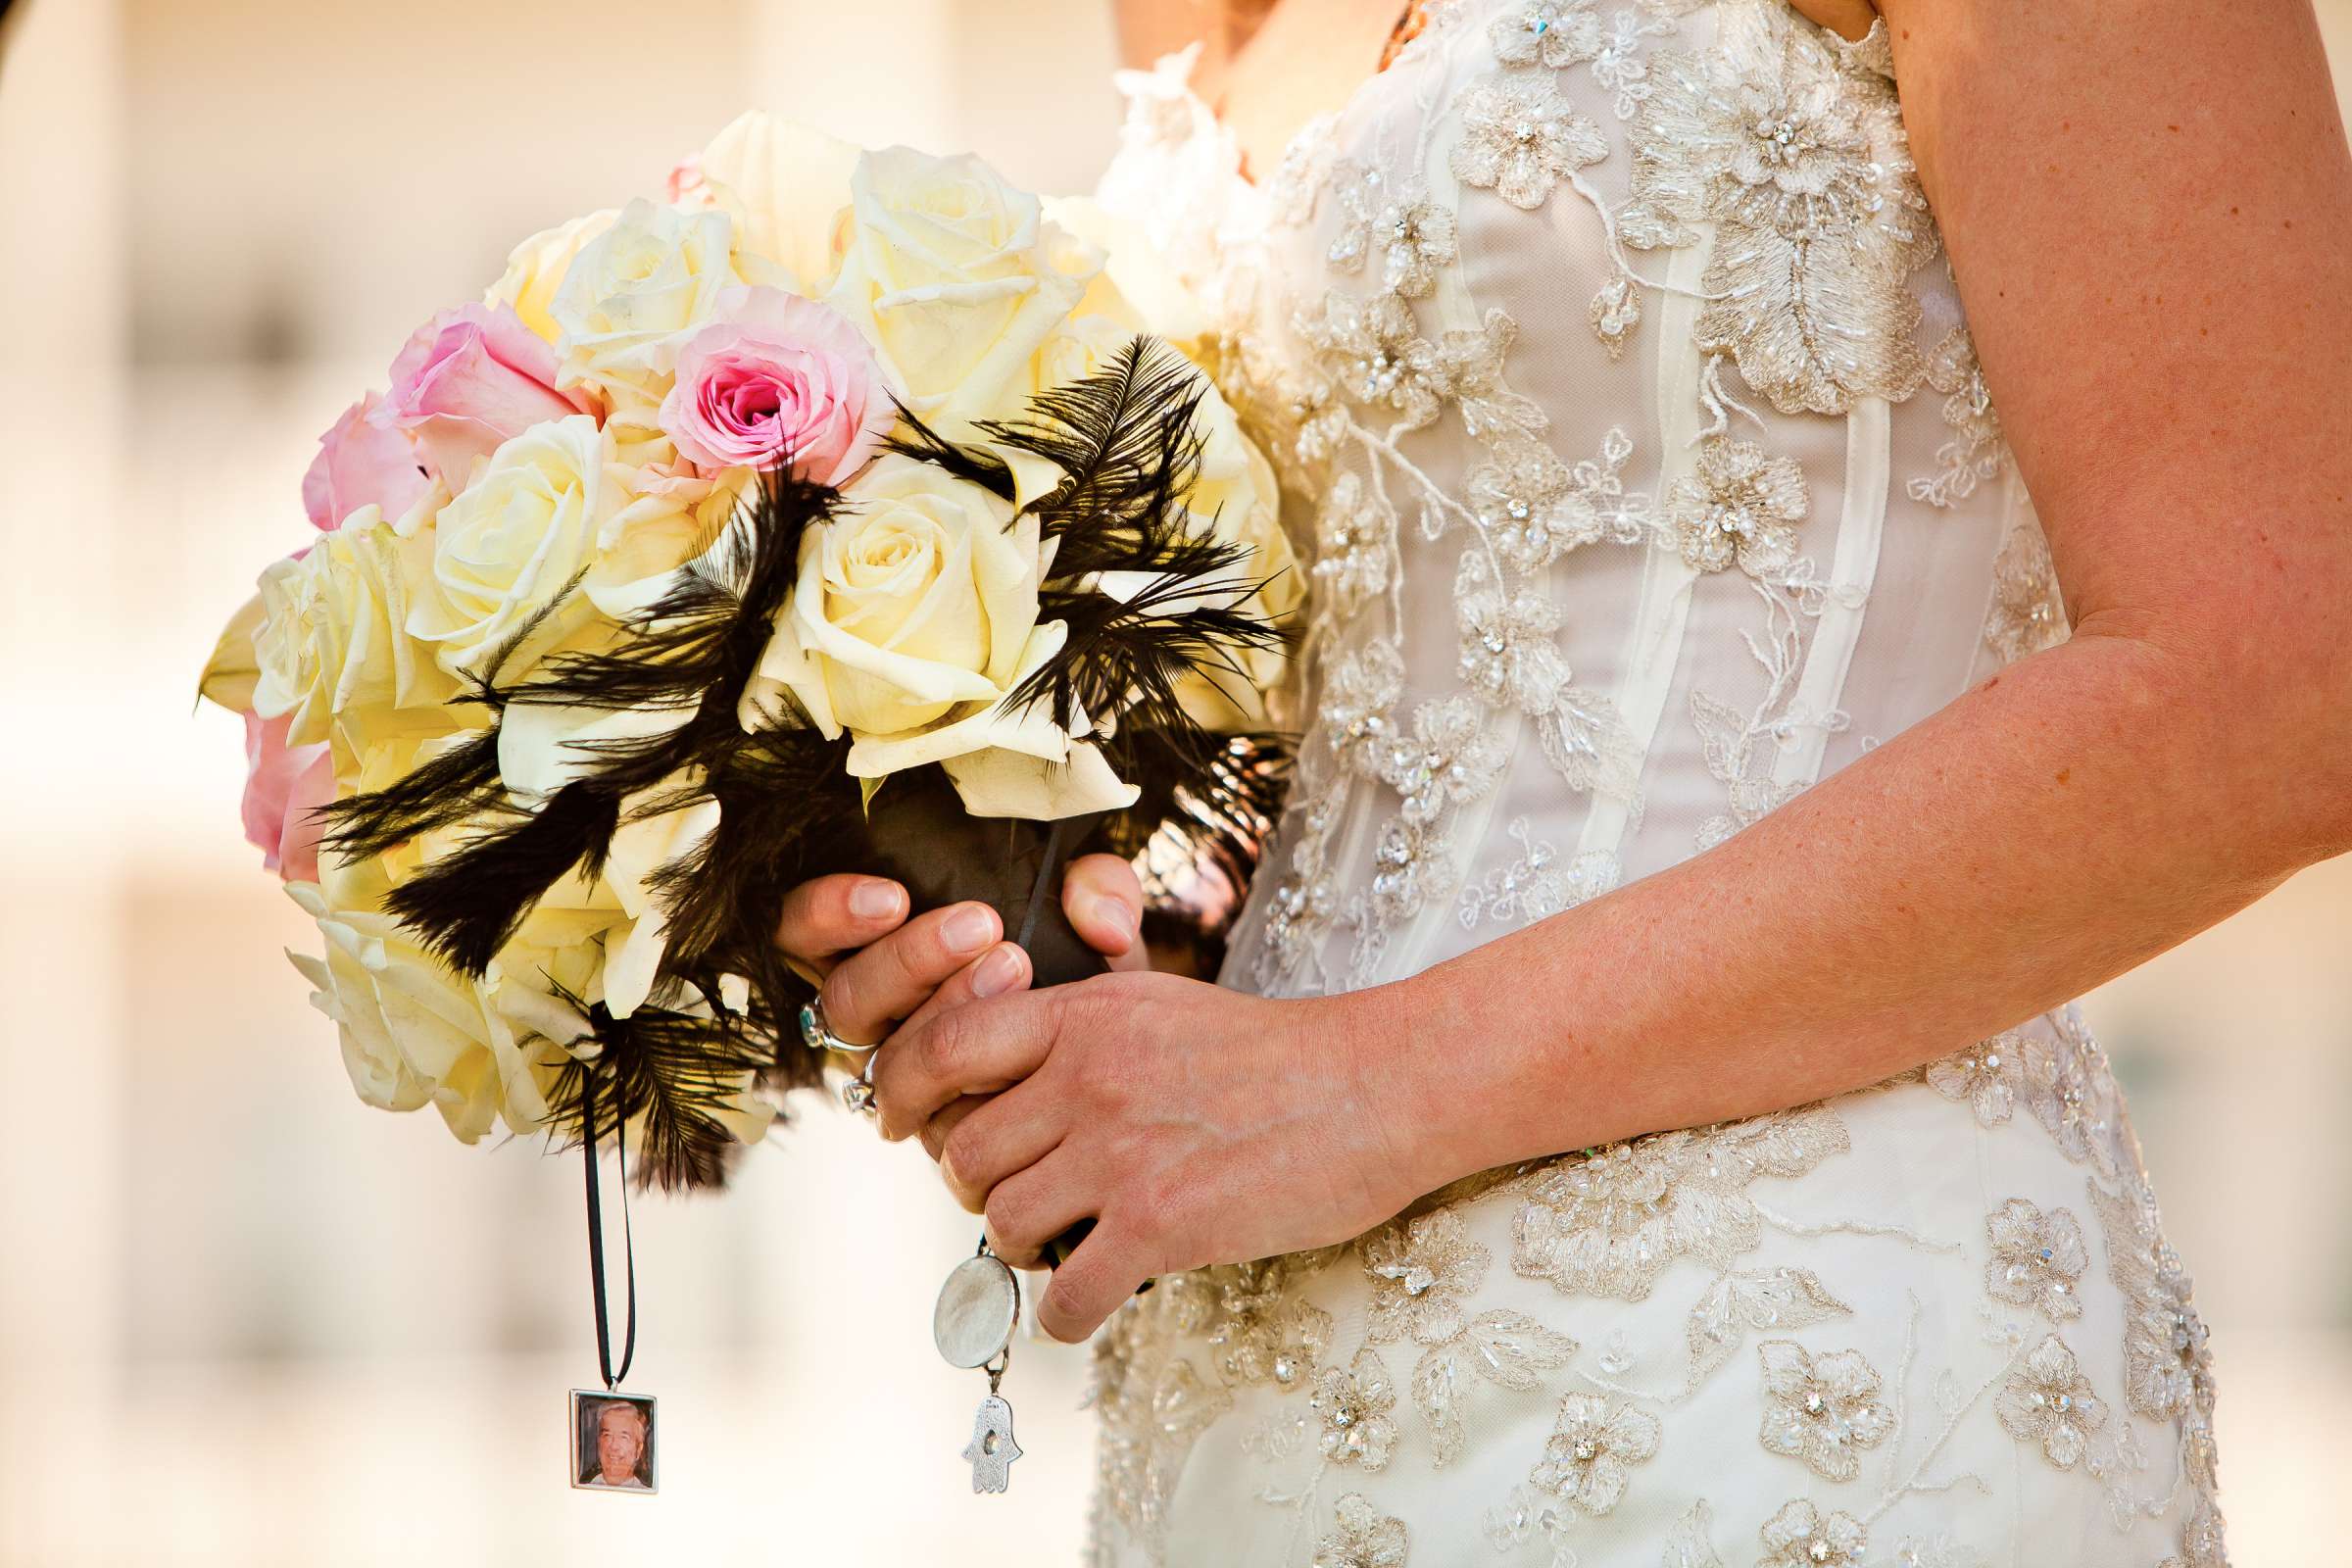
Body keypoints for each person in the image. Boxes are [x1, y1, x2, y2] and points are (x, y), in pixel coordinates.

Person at [776, 1, 2352, 1561]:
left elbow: (2281, 682)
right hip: (1246, 1398)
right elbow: (1385, 664)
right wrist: (1080, 929)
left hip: (1788, 1368)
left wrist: (1367, 1082)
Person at [578, 1397, 652, 1491]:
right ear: (599, 1442)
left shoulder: (647, 1497)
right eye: (607, 1435)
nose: (614, 1446)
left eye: (624, 1437)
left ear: (639, 1448)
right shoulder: (582, 1490)